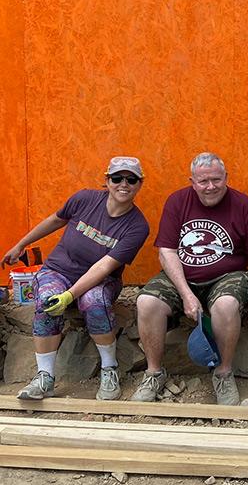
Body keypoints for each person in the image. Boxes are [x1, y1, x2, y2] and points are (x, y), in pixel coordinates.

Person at [3, 157, 150, 401]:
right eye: (117, 178)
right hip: (58, 270)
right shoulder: (84, 199)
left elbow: (105, 266)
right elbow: (55, 220)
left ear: (139, 184)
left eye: (131, 179)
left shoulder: (137, 226)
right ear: (107, 181)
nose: (124, 184)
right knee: (47, 299)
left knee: (93, 301)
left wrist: (71, 294)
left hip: (102, 280)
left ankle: (109, 368)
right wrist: (21, 244)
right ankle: (45, 377)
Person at [132, 152, 248, 405]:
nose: (210, 187)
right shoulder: (177, 201)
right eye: (203, 182)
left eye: (216, 180)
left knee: (226, 305)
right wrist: (186, 294)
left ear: (226, 178)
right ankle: (153, 373)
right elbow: (167, 251)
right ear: (192, 181)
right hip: (183, 276)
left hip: (228, 276)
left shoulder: (242, 204)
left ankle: (223, 373)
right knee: (147, 302)